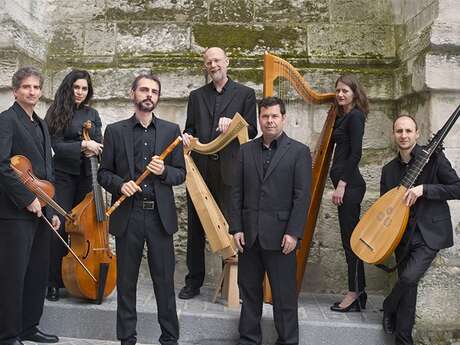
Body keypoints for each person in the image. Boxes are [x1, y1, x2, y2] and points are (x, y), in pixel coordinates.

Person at [98, 74, 185, 345]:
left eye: (154, 91)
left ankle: (169, 338)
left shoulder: (172, 131)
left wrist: (164, 171)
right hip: (129, 215)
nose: (149, 95)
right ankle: (127, 339)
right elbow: (104, 174)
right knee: (126, 283)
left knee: (164, 282)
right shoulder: (115, 130)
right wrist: (120, 185)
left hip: (160, 217)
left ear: (158, 97)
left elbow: (180, 174)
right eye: (144, 90)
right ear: (133, 93)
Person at [230, 97, 312, 345]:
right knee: (249, 295)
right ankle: (248, 340)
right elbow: (236, 192)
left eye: (274, 116)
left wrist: (294, 233)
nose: (269, 121)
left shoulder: (299, 152)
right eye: (265, 116)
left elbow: (302, 197)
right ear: (259, 119)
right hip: (250, 237)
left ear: (283, 118)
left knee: (285, 298)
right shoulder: (245, 151)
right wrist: (236, 228)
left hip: (282, 239)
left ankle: (287, 341)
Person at [179, 46, 257, 299]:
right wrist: (188, 137)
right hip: (200, 170)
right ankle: (194, 281)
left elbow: (252, 132)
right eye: (209, 62)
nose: (213, 65)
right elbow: (190, 129)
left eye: (217, 61)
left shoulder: (245, 94)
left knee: (232, 226)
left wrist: (234, 124)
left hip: (231, 171)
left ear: (227, 62)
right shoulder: (196, 96)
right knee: (196, 227)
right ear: (206, 66)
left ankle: (232, 284)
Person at [380, 114, 460, 345]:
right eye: (399, 131)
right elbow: (386, 210)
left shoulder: (434, 159)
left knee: (407, 278)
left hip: (429, 234)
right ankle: (403, 340)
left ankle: (388, 305)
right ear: (393, 135)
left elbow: (457, 188)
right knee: (409, 288)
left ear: (417, 133)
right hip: (401, 236)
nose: (404, 135)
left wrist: (424, 189)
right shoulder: (388, 170)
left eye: (408, 131)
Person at [0, 67, 60, 345]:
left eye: (36, 87)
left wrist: (50, 208)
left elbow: (46, 171)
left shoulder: (42, 123)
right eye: (26, 87)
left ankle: (29, 326)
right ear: (15, 91)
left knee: (37, 271)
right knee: (14, 275)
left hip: (40, 210)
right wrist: (27, 200)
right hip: (14, 213)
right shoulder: (6, 121)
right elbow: (2, 167)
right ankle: (8, 334)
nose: (32, 92)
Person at [45, 69, 103, 301]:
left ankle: (78, 277)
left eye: (84, 89)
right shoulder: (57, 111)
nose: (80, 92)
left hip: (86, 176)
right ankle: (53, 281)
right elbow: (56, 145)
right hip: (63, 176)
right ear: (69, 88)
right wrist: (82, 145)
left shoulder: (93, 113)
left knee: (84, 229)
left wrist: (96, 146)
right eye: (76, 87)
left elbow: (98, 142)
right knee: (59, 227)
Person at [329, 74, 369, 312]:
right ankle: (358, 292)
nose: (340, 94)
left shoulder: (355, 117)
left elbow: (356, 154)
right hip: (347, 186)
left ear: (355, 92)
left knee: (351, 243)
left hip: (351, 186)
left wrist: (342, 184)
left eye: (345, 90)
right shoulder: (344, 117)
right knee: (348, 241)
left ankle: (354, 293)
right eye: (338, 91)